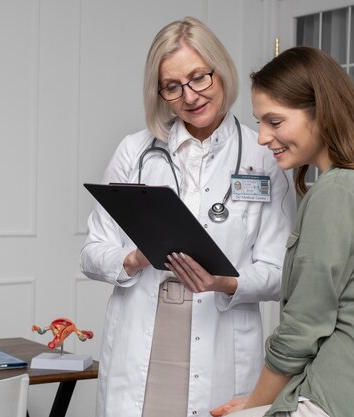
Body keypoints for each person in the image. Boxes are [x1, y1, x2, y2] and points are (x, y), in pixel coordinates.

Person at [80, 16, 296, 417]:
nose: (190, 96)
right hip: (143, 335)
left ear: (221, 71)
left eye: (199, 77)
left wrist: (225, 281)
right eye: (172, 86)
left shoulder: (263, 155)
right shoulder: (134, 151)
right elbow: (91, 252)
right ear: (160, 92)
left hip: (220, 337)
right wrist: (132, 258)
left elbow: (281, 271)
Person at [206, 46, 354, 417]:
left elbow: (302, 328)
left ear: (322, 114)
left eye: (275, 122)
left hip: (341, 398)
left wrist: (258, 404)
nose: (262, 137)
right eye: (259, 122)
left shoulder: (337, 192)